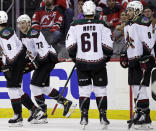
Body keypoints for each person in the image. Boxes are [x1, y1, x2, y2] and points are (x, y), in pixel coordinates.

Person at [17, 14, 74, 124]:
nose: (21, 25)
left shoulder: (33, 33)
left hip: (47, 59)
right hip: (43, 60)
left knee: (34, 86)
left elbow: (43, 53)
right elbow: (31, 54)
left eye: (23, 22)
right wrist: (26, 64)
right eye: (19, 23)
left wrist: (33, 65)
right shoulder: (26, 37)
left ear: (29, 23)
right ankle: (66, 103)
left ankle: (43, 114)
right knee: (43, 87)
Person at [66, 1, 113, 129]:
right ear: (94, 11)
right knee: (100, 90)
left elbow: (70, 47)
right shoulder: (102, 24)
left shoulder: (74, 25)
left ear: (83, 12)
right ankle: (103, 117)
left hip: (82, 64)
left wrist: (75, 58)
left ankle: (84, 117)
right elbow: (108, 47)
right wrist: (106, 58)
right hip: (98, 63)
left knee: (84, 91)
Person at [0, 11, 44, 127]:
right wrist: (2, 60)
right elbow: (8, 51)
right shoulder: (5, 31)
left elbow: (13, 53)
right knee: (17, 90)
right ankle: (34, 110)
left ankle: (18, 117)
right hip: (19, 60)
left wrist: (8, 66)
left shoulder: (4, 33)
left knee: (12, 88)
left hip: (17, 62)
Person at [120, 1, 155, 129]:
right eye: (127, 10)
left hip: (144, 59)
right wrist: (124, 53)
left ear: (136, 11)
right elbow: (129, 42)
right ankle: (141, 114)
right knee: (135, 87)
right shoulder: (127, 25)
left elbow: (149, 42)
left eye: (129, 10)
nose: (126, 12)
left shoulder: (143, 22)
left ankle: (144, 115)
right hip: (133, 60)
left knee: (141, 89)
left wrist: (146, 58)